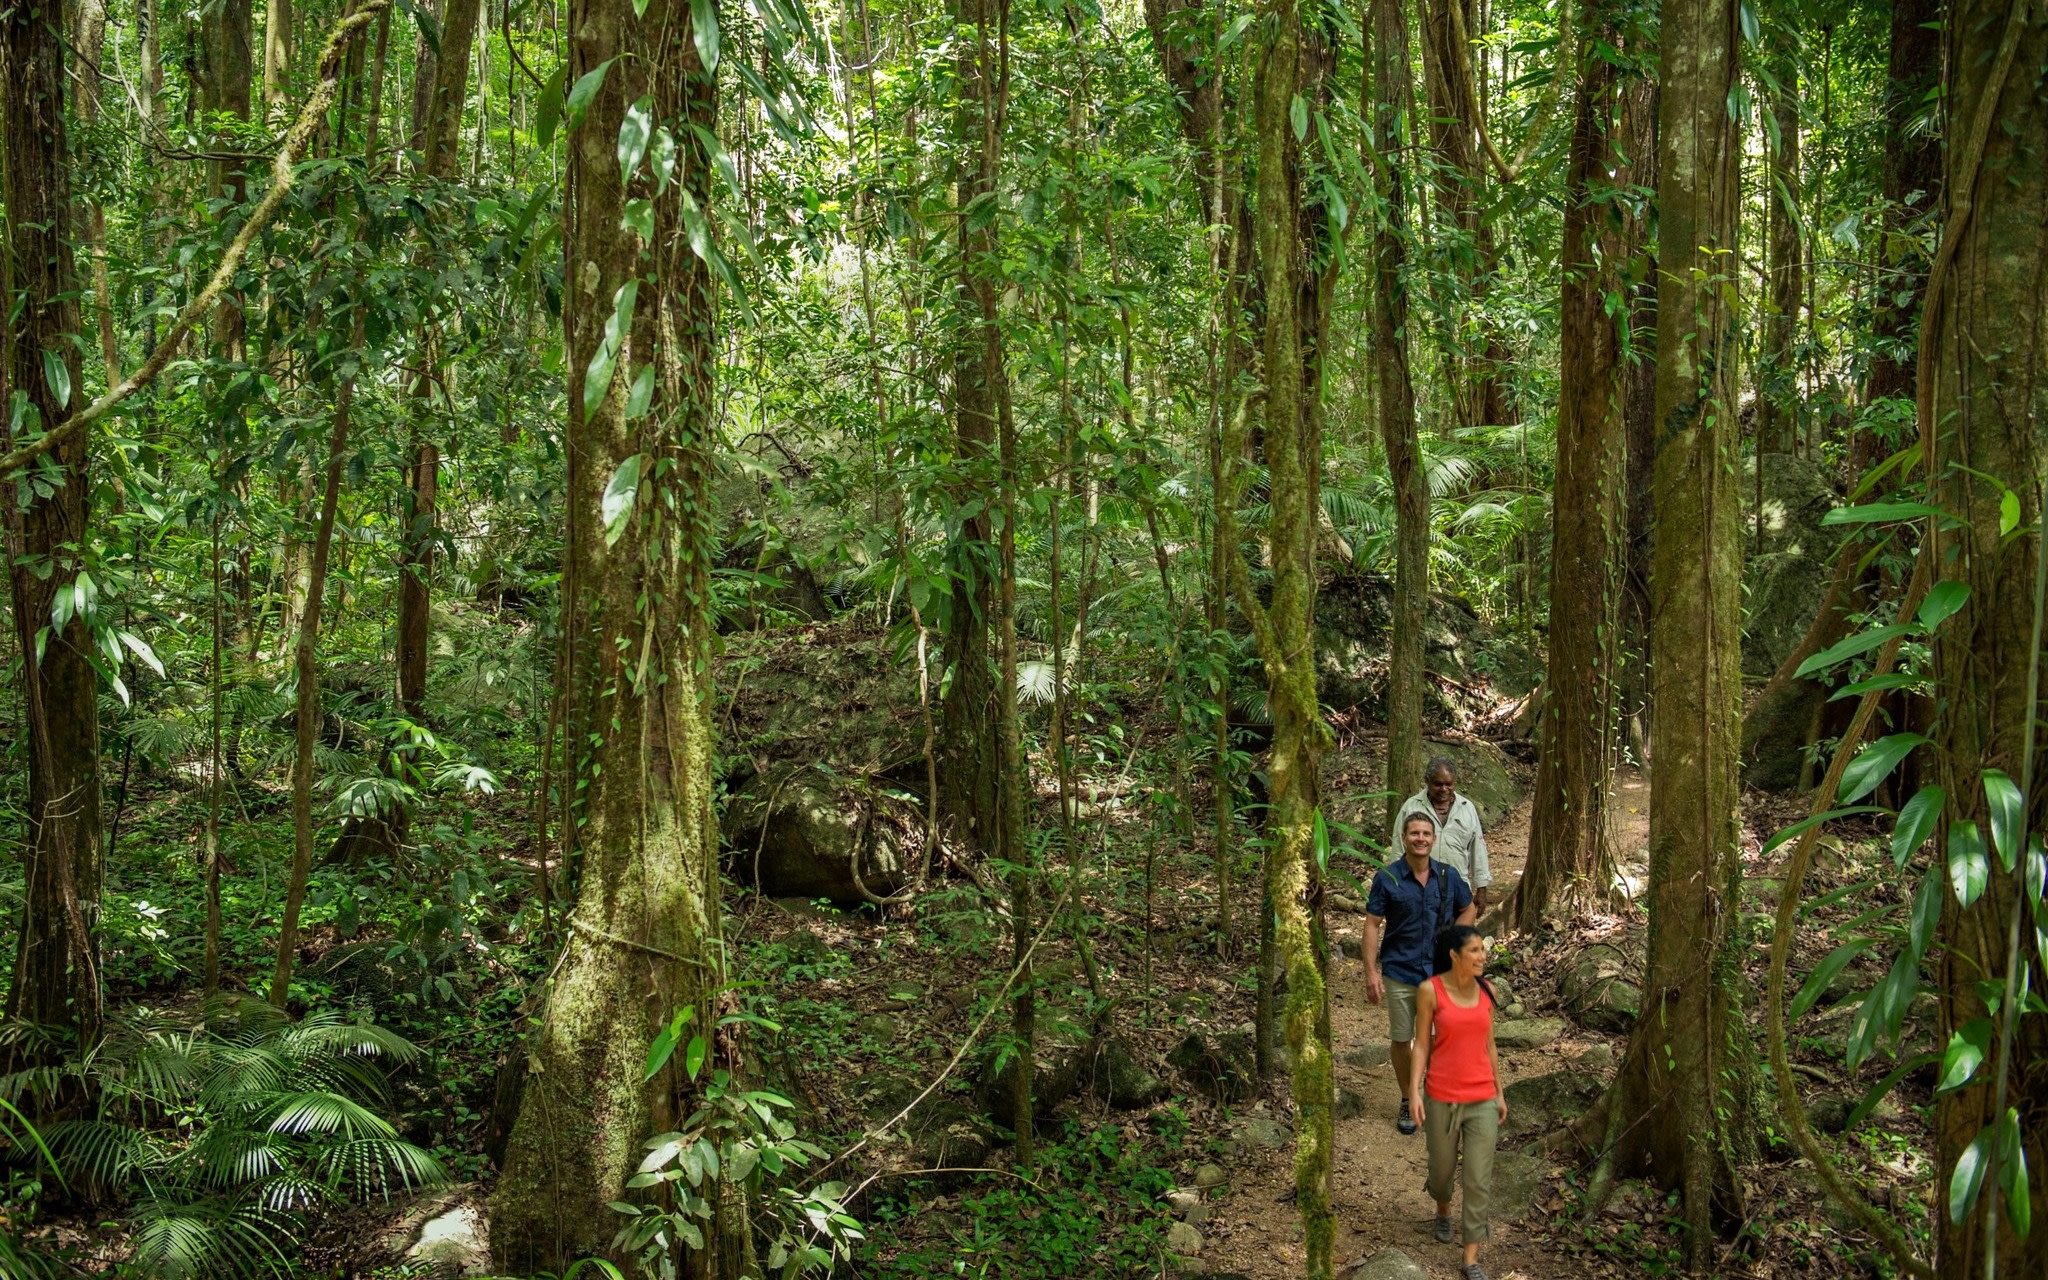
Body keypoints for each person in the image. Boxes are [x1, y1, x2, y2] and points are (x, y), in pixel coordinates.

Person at [1364, 811, 1477, 1134]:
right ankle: (1407, 1097)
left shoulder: (1448, 876)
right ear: (1404, 838)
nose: (1421, 839)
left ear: (1434, 839)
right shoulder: (1387, 878)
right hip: (1400, 970)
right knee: (1402, 1037)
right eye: (1414, 833)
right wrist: (1370, 972)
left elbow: (1469, 908)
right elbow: (1372, 924)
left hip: (1438, 974)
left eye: (1426, 834)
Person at [1409, 924, 1506, 1280]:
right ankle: (1442, 1207)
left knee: (1478, 1178)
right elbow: (1421, 1043)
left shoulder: (1488, 991)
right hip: (1442, 1096)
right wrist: (1414, 1090)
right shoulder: (1430, 991)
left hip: (1482, 1098)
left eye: (1483, 949)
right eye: (1474, 950)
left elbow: (1490, 1044)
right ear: (1454, 955)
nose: (1482, 956)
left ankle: (1470, 1256)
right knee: (1442, 1171)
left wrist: (1499, 1092)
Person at [1392, 757, 1493, 915]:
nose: (1444, 789)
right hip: (1418, 888)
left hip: (1457, 888)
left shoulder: (1467, 808)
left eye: (1449, 784)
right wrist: (1396, 886)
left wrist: (1481, 889)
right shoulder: (1411, 807)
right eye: (1438, 784)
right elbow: (1398, 848)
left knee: (1457, 928)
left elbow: (1477, 849)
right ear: (1427, 781)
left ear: (1455, 782)